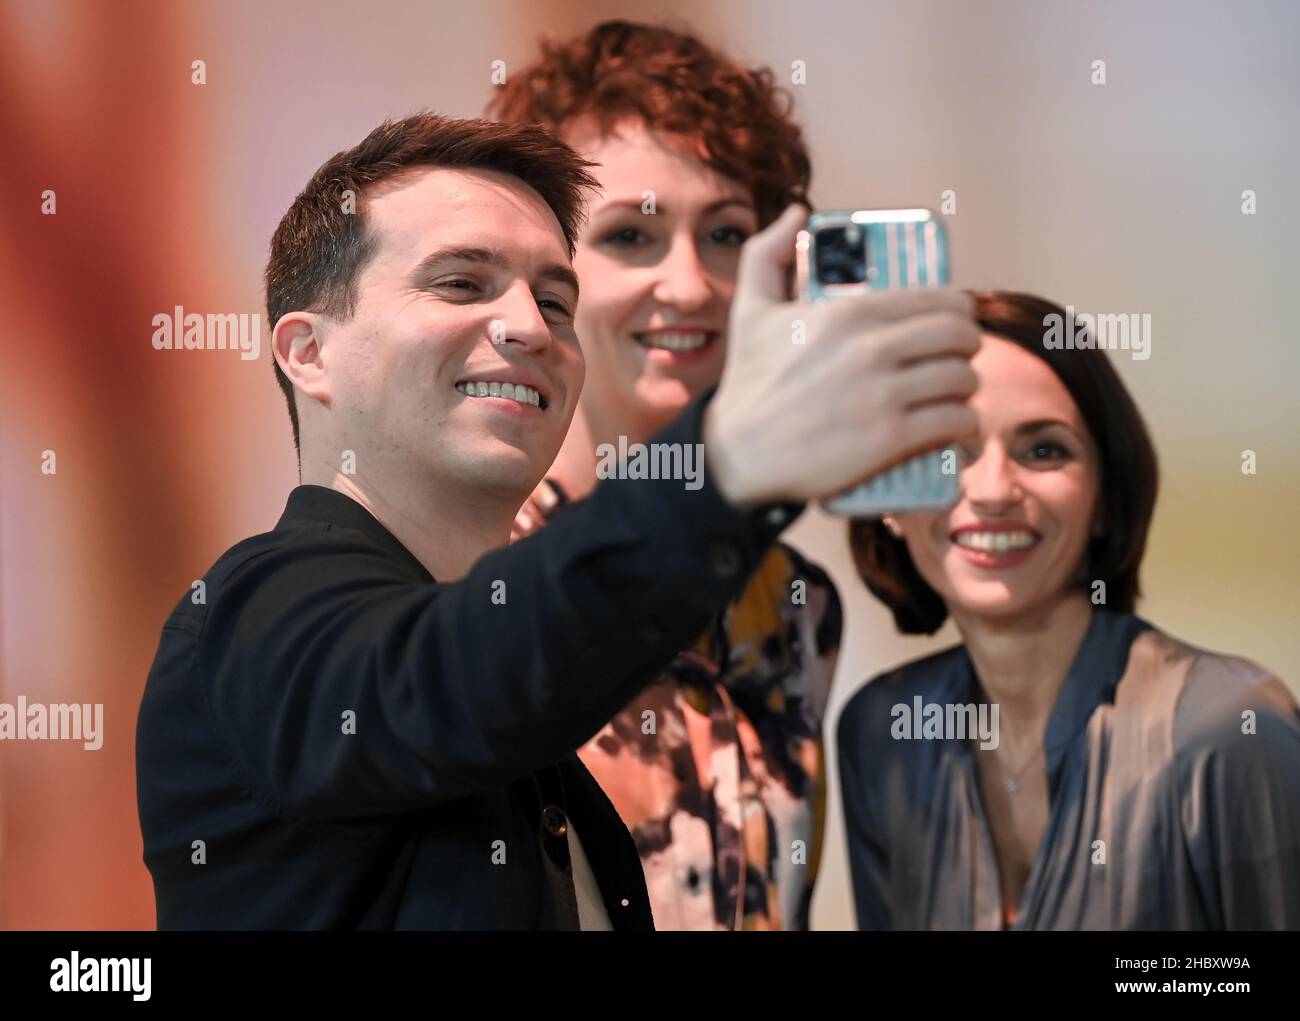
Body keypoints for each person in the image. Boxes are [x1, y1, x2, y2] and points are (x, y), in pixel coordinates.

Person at [135, 112, 981, 929]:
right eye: (460, 283)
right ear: (308, 352)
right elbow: (453, 672)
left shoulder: (547, 753)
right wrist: (730, 459)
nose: (529, 328)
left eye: (555, 300)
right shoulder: (253, 614)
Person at [490, 20, 838, 931]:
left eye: (726, 234)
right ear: (544, 271)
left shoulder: (795, 609)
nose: (689, 284)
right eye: (632, 236)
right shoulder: (467, 579)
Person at [837, 290, 1300, 930]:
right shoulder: (881, 732)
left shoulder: (1227, 730)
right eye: (949, 451)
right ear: (887, 494)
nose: (993, 490)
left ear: (1106, 497)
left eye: (1044, 450)